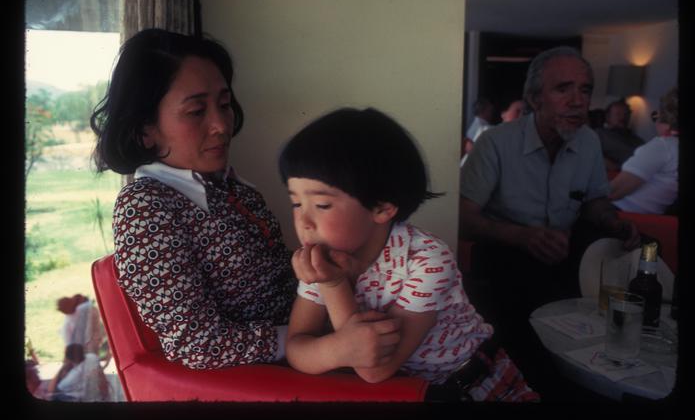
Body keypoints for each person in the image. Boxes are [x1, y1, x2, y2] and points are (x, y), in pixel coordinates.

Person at [90, 28, 396, 370]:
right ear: (145, 129)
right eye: (196, 112)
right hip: (294, 371)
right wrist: (317, 343)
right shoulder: (144, 210)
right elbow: (197, 345)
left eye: (224, 104)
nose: (221, 124)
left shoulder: (232, 188)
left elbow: (284, 281)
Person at [279, 107, 539, 402]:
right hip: (412, 393)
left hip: (480, 384)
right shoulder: (321, 262)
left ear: (381, 208)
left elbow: (374, 370)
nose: (303, 221)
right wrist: (337, 349)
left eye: (321, 205)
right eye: (296, 203)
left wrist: (334, 287)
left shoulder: (426, 259)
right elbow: (297, 346)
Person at [459, 46, 640, 398]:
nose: (577, 101)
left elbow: (594, 203)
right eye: (563, 89)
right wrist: (521, 236)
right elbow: (463, 220)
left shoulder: (588, 141)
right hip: (504, 261)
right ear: (534, 99)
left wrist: (613, 222)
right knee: (536, 349)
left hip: (563, 258)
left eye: (585, 90)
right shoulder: (495, 143)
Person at [609, 87, 678, 214]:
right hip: (652, 219)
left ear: (666, 118)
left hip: (621, 212)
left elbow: (613, 193)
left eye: (656, 115)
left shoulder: (664, 146)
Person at [57, 293, 109, 365]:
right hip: (85, 342)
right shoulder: (71, 316)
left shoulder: (85, 310)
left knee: (91, 360)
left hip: (92, 340)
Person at [595, 99, 644, 171]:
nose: (623, 118)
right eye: (618, 114)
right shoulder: (599, 134)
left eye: (626, 114)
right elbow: (589, 155)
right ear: (608, 117)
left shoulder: (637, 140)